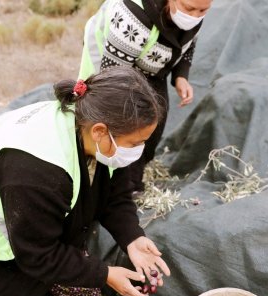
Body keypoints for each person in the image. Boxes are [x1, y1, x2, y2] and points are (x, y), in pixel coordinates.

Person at [0, 66, 170, 296]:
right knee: (16, 295)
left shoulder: (101, 135)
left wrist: (132, 237)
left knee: (83, 293)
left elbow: (114, 196)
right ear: (99, 132)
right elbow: (36, 254)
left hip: (26, 204)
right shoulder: (37, 174)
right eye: (135, 143)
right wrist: (105, 274)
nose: (138, 151)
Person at [79, 0, 213, 193]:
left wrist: (181, 76)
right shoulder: (132, 18)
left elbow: (188, 45)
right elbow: (114, 79)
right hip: (114, 65)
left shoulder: (194, 15)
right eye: (189, 9)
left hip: (151, 67)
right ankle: (114, 182)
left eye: (203, 10)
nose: (194, 16)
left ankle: (135, 173)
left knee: (156, 120)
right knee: (124, 121)